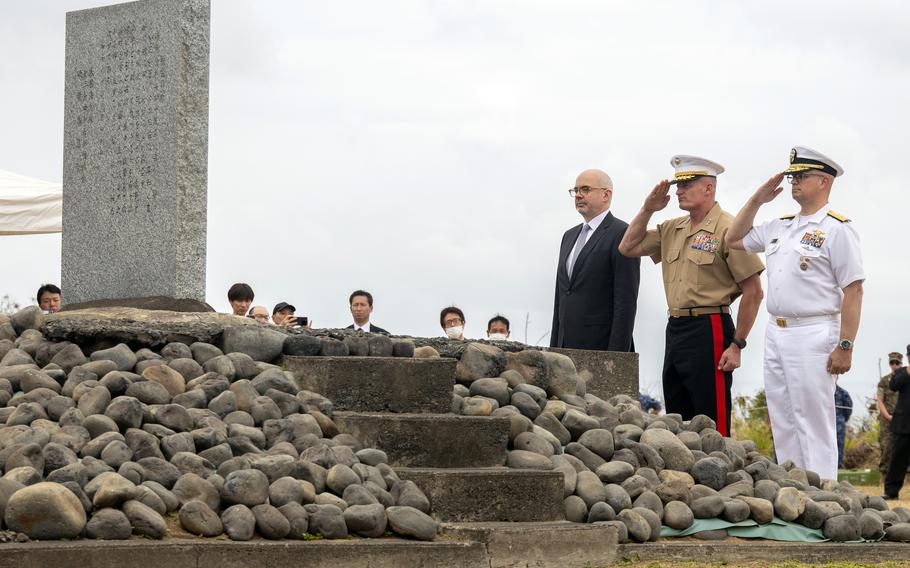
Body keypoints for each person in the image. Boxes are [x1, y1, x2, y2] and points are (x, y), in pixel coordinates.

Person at [728, 146, 864, 480]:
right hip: (777, 329)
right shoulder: (780, 225)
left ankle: (822, 494)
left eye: (801, 176)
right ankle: (794, 490)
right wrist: (758, 199)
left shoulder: (837, 229)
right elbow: (733, 238)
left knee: (813, 418)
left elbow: (854, 290)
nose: (794, 183)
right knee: (783, 414)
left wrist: (845, 345)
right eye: (792, 177)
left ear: (823, 181)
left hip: (815, 330)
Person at [619, 156, 764, 437]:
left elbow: (754, 292)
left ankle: (720, 476)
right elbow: (628, 246)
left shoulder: (728, 228)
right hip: (676, 327)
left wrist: (737, 345)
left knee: (711, 422)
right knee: (677, 416)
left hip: (710, 327)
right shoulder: (673, 228)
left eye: (686, 184)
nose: (678, 191)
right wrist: (647, 209)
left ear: (709, 188)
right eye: (678, 185)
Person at [551, 169, 640, 352]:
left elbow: (625, 302)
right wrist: (554, 349)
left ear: (606, 194)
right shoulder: (569, 236)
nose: (578, 195)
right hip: (565, 348)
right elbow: (561, 297)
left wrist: (617, 356)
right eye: (575, 190)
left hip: (600, 349)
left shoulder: (622, 233)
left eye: (585, 189)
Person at [885, 345, 910, 499]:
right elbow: (893, 386)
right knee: (897, 459)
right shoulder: (902, 372)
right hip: (903, 423)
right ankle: (891, 492)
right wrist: (907, 372)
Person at [878, 352, 905, 477]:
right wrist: (887, 416)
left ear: (901, 363)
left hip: (904, 418)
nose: (894, 365)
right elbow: (880, 401)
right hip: (887, 420)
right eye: (892, 363)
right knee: (887, 446)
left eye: (897, 363)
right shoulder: (884, 381)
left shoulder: (906, 378)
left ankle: (906, 477)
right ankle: (884, 476)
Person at [834, 384, 853, 469]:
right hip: (823, 424)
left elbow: (848, 409)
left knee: (839, 448)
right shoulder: (820, 391)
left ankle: (838, 468)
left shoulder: (842, 392)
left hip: (838, 425)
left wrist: (841, 419)